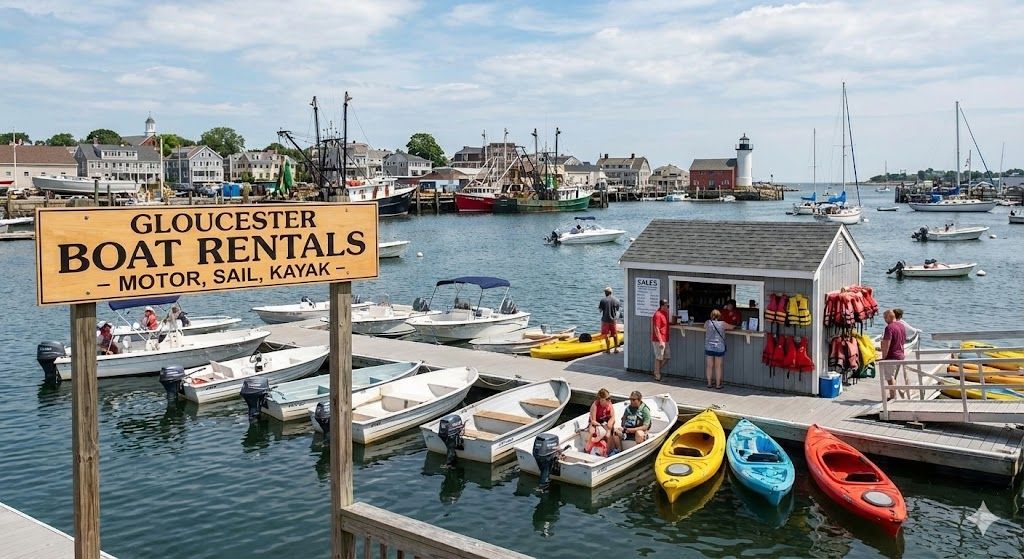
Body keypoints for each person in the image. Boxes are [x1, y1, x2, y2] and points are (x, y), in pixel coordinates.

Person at [881, 309, 908, 399]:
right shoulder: (901, 326)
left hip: (892, 356)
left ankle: (893, 397)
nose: (884, 319)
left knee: (890, 377)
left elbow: (886, 343)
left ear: (890, 317)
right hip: (900, 354)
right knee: (893, 376)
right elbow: (903, 340)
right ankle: (895, 394)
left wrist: (884, 357)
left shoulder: (889, 327)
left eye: (885, 317)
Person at [704, 309, 734, 389]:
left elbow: (704, 327)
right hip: (719, 346)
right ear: (719, 316)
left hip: (709, 346)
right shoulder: (722, 324)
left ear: (711, 315)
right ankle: (718, 385)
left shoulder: (707, 322)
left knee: (709, 366)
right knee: (718, 366)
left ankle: (709, 383)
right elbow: (732, 327)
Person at [585, 389, 616, 456]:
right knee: (592, 431)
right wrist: (600, 425)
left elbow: (612, 416)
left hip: (604, 422)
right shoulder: (595, 405)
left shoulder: (609, 404)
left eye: (609, 398)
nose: (609, 400)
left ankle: (607, 451)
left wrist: (610, 423)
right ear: (601, 400)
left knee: (608, 434)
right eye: (607, 399)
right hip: (596, 422)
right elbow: (593, 421)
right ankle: (587, 448)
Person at [651, 299, 670, 381]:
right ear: (663, 305)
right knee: (659, 357)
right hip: (659, 340)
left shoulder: (665, 313)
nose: (668, 307)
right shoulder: (657, 315)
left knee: (667, 356)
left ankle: (656, 370)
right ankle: (657, 374)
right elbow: (656, 328)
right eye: (667, 306)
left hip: (665, 338)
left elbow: (665, 325)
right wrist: (660, 341)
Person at [598, 286, 621, 354]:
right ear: (611, 292)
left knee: (606, 335)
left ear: (606, 293)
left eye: (605, 292)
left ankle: (608, 350)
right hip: (613, 320)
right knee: (614, 334)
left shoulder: (603, 300)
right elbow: (617, 310)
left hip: (605, 320)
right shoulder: (616, 300)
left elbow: (600, 310)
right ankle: (616, 349)